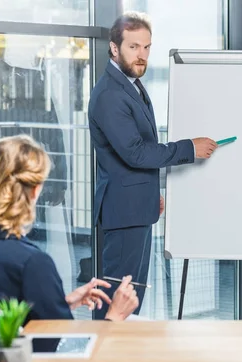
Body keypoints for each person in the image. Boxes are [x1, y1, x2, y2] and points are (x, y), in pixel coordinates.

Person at [88, 11, 218, 319]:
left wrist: (149, 192)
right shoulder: (110, 94)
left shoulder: (130, 84)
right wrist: (189, 148)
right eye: (134, 47)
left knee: (129, 298)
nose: (142, 55)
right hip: (122, 213)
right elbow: (135, 152)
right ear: (114, 48)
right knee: (115, 298)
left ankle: (122, 360)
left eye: (147, 47)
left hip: (134, 207)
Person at [0, 135, 138, 323]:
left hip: (3, 352)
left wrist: (61, 303)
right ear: (35, 190)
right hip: (39, 352)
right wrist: (115, 315)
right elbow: (62, 346)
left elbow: (17, 321)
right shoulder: (32, 264)